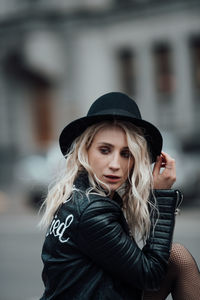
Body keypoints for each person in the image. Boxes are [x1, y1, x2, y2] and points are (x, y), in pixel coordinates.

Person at [39, 92, 200, 300]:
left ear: (135, 160)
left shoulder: (77, 195)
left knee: (177, 257)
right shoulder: (92, 211)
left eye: (126, 154)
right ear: (85, 151)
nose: (115, 164)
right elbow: (150, 276)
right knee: (179, 258)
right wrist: (161, 197)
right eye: (105, 150)